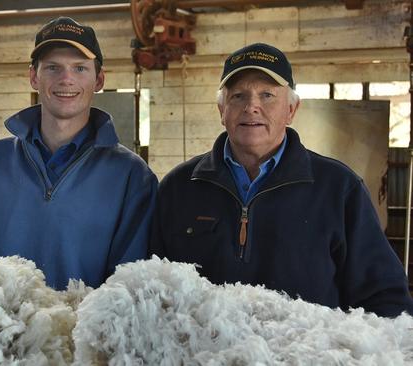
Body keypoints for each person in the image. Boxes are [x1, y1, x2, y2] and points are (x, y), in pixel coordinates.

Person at [150, 43, 413, 318]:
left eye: (267, 95)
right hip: (204, 357)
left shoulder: (339, 189)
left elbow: (387, 299)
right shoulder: (179, 187)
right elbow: (153, 288)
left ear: (291, 110)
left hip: (305, 357)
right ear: (221, 110)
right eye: (238, 96)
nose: (252, 107)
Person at [0, 16, 157, 290]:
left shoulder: (132, 176)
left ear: (99, 79)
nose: (66, 79)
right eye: (53, 68)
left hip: (87, 331)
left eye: (80, 68)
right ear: (34, 77)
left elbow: (130, 284)